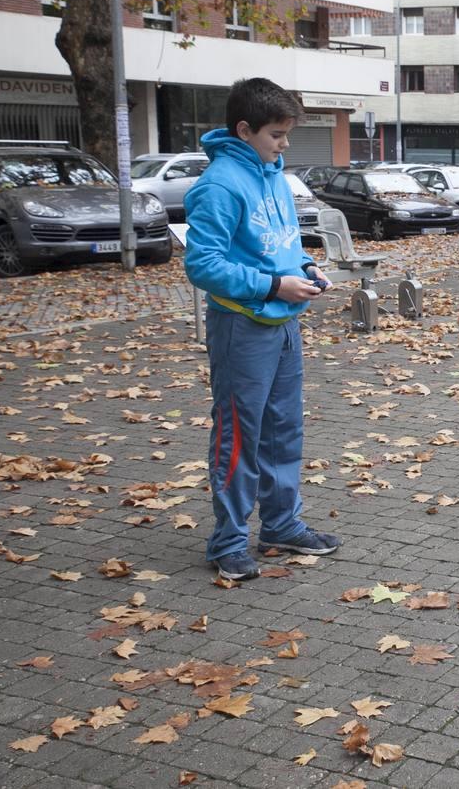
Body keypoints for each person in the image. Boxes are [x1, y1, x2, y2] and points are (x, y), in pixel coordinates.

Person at [185, 77, 340, 581]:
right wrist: (274, 286)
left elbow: (281, 245)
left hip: (284, 325)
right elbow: (203, 265)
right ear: (244, 129)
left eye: (288, 133)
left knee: (282, 430)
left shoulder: (272, 172)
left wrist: (306, 267)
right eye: (277, 134)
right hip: (241, 327)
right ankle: (228, 541)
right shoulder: (219, 185)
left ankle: (281, 524)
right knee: (238, 437)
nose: (285, 144)